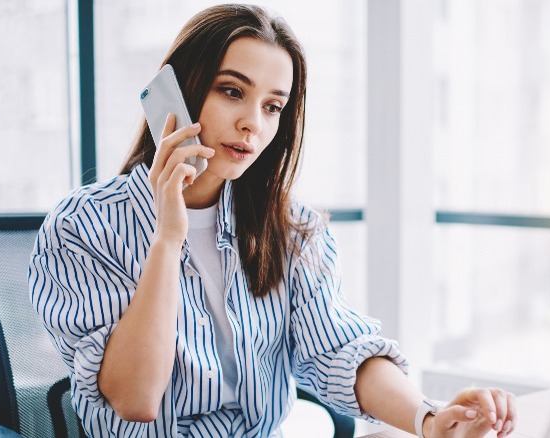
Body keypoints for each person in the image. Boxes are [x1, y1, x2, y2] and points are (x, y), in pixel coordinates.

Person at [28, 4, 516, 437]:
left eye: (273, 106)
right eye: (231, 91)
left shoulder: (288, 228)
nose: (253, 125)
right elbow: (135, 401)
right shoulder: (83, 225)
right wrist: (168, 238)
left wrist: (427, 420)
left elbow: (338, 347)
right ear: (175, 92)